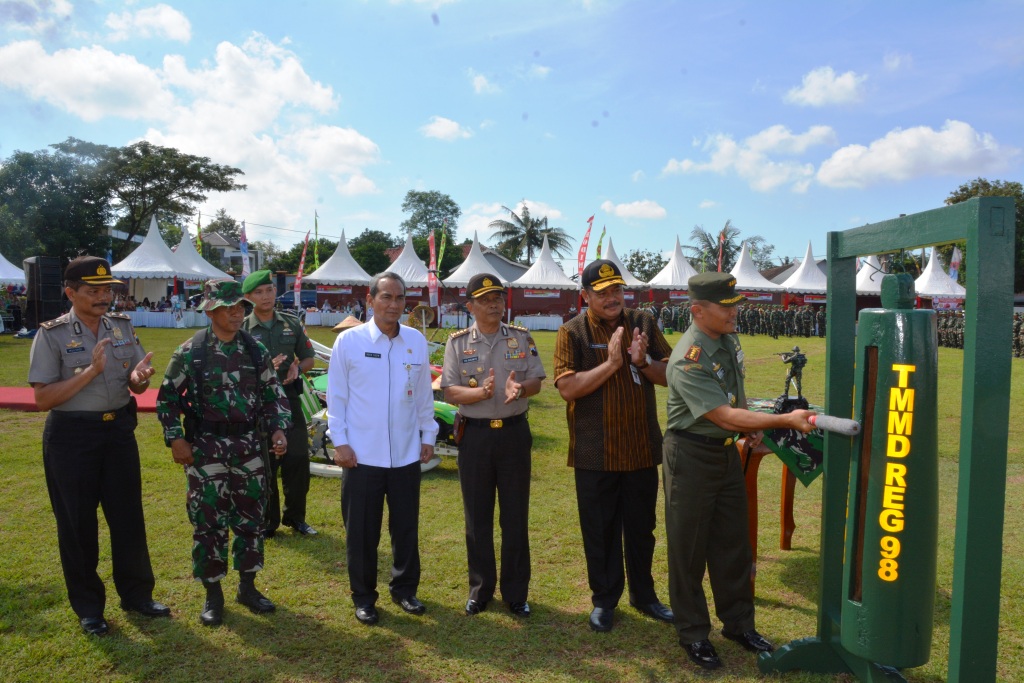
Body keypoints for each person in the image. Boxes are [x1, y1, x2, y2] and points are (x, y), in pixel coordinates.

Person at [664, 272, 816, 670]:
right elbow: (724, 414)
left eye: (736, 303)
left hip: (726, 451)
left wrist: (750, 435)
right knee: (689, 548)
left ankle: (738, 624)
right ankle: (694, 633)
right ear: (698, 311)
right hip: (691, 454)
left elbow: (736, 395)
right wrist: (782, 423)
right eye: (726, 306)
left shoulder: (727, 339)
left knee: (733, 543)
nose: (736, 311)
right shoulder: (688, 357)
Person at [28, 255, 169, 637]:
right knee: (77, 525)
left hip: (118, 433)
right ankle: (90, 607)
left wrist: (140, 379)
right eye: (94, 291)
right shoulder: (51, 334)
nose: (104, 297)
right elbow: (43, 400)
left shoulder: (122, 326)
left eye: (107, 290)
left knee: (128, 518)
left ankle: (137, 595)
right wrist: (90, 371)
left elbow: (137, 383)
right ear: (70, 292)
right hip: (73, 437)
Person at [156, 279, 292, 627]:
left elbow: (273, 393)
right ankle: (212, 594)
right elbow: (167, 400)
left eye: (239, 307)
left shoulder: (254, 349)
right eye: (227, 307)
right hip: (206, 451)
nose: (236, 312)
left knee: (251, 520)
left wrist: (278, 428)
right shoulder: (191, 351)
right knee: (208, 523)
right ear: (210, 309)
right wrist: (176, 439)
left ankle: (248, 587)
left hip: (249, 448)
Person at [553, 259, 674, 633]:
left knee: (642, 529)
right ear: (585, 295)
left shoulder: (643, 322)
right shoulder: (571, 331)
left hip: (639, 447)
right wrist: (612, 363)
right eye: (602, 293)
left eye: (617, 290)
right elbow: (568, 388)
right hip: (595, 451)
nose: (612, 299)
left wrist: (643, 360)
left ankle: (644, 594)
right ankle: (604, 600)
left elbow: (669, 374)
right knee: (600, 530)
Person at [327, 272, 437, 626]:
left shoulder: (416, 341)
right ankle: (364, 597)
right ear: (370, 299)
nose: (393, 305)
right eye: (386, 297)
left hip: (405, 453)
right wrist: (339, 442)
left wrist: (428, 435)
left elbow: (423, 395)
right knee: (361, 532)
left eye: (400, 298)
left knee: (405, 528)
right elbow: (337, 398)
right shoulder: (349, 341)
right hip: (361, 456)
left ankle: (404, 590)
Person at [440, 273, 545, 618]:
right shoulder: (457, 343)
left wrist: (522, 390)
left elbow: (536, 381)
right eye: (485, 299)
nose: (494, 304)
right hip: (476, 436)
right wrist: (480, 393)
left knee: (515, 516)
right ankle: (480, 589)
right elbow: (450, 391)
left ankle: (516, 593)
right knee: (477, 517)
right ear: (469, 305)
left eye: (498, 298)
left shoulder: (521, 337)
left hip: (514, 434)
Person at [241, 270, 319, 538]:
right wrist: (263, 371)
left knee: (297, 458)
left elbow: (309, 358)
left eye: (270, 290)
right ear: (248, 297)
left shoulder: (292, 322)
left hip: (289, 400)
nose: (266, 296)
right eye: (259, 292)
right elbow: (234, 369)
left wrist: (299, 366)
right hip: (257, 404)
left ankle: (296, 518)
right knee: (266, 463)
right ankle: (268, 522)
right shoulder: (242, 328)